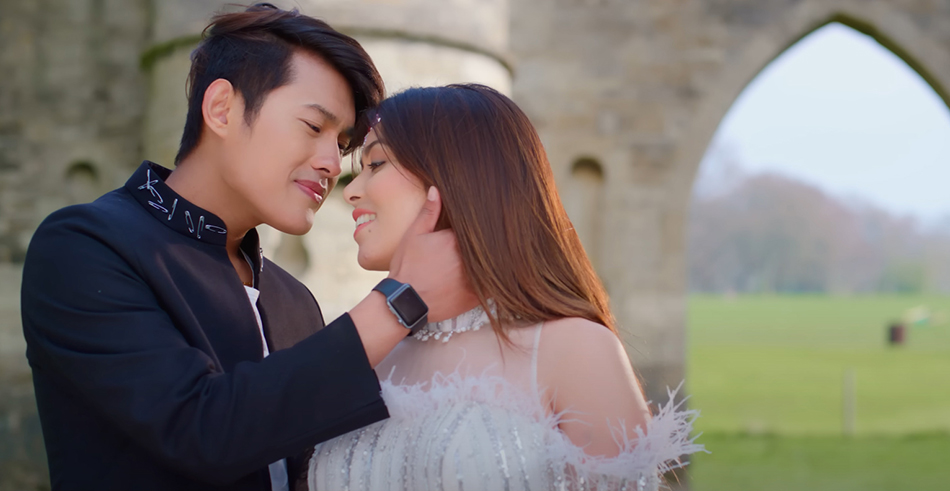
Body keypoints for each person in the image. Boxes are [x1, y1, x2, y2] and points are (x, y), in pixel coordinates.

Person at [20, 5, 473, 491]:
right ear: (222, 109)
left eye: (342, 145)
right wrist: (398, 301)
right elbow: (202, 432)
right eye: (313, 127)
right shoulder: (85, 248)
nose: (332, 164)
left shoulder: (294, 300)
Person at [306, 84, 705, 490]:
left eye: (375, 164)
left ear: (458, 174)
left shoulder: (574, 349)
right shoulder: (365, 351)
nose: (350, 190)